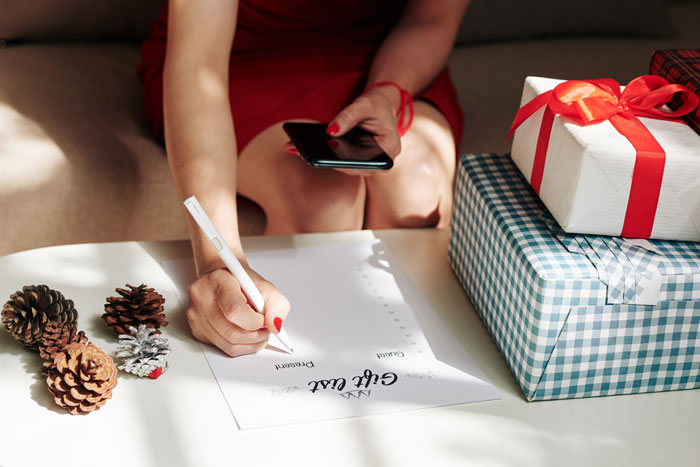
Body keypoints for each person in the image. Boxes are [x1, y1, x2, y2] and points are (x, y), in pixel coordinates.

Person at [138, 0, 469, 357]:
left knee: (417, 189)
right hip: (237, 57)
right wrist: (217, 261)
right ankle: (309, 368)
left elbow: (431, 19)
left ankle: (407, 359)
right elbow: (198, 64)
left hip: (391, 57)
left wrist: (386, 91)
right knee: (320, 200)